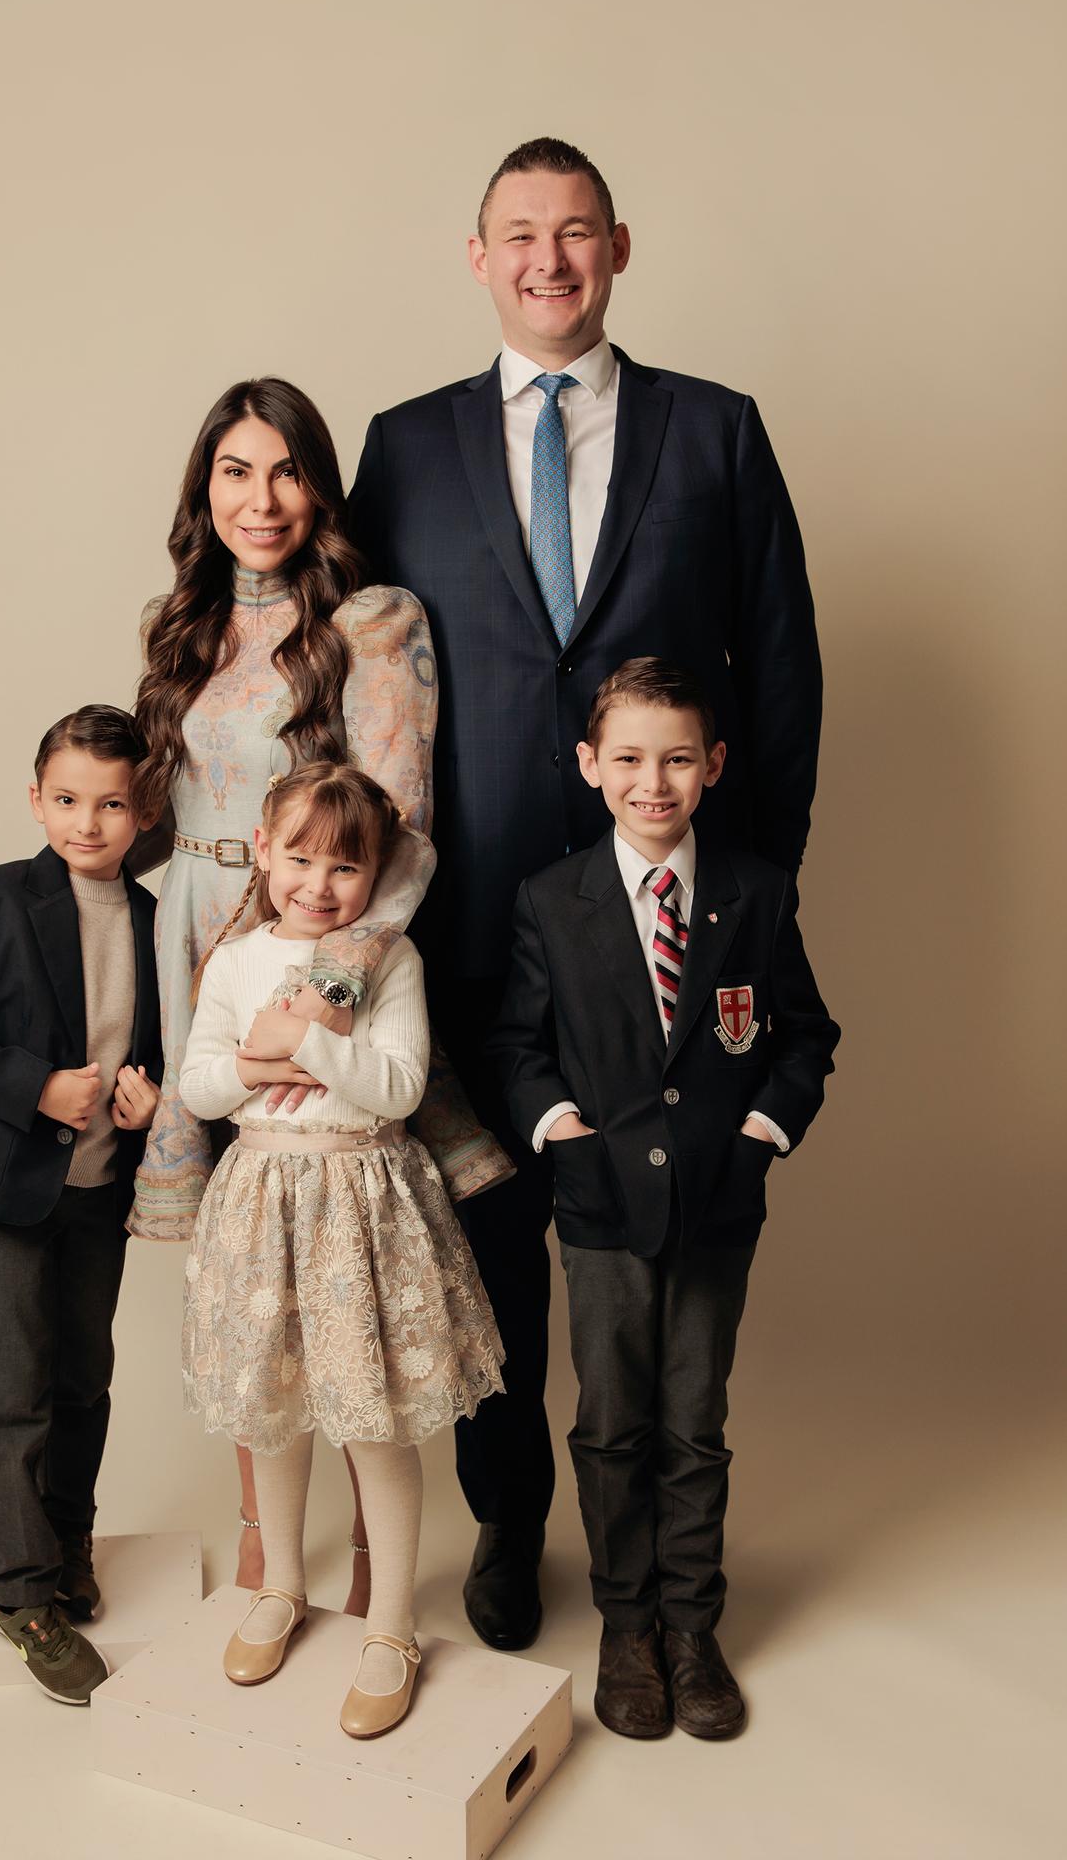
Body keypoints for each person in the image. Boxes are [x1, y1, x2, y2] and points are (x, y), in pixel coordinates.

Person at [349, 135, 823, 1650]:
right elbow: (352, 678)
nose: (547, 259)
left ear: (617, 247)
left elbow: (783, 664)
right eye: (518, 233)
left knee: (649, 1242)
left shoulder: (715, 431)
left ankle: (655, 1568)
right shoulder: (403, 446)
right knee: (492, 1243)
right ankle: (506, 1522)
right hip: (471, 919)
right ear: (476, 257)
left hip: (667, 922)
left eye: (574, 231)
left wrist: (755, 887)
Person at [125, 375, 510, 1611]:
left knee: (337, 1256)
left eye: (286, 470)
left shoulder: (372, 623)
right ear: (204, 489)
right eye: (234, 471)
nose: (261, 498)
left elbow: (402, 822)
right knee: (247, 1266)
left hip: (309, 940)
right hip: (196, 944)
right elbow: (155, 809)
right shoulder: (179, 624)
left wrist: (331, 987)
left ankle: (371, 1557)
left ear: (321, 488)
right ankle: (263, 1537)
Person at [490, 658, 839, 1738]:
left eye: (678, 758)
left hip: (717, 1205)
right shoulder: (550, 900)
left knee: (694, 1421)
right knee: (610, 1423)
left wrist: (758, 1135)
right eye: (630, 759)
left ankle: (691, 1626)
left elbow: (803, 1035)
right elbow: (517, 1047)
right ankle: (624, 1623)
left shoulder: (755, 890)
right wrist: (564, 1134)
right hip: (600, 1209)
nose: (654, 781)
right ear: (590, 765)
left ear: (713, 765)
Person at [180, 763, 504, 1737]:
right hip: (260, 1206)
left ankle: (391, 1625)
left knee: (373, 1418)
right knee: (273, 1409)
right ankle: (280, 1584)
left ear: (375, 873)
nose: (318, 885)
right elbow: (200, 1087)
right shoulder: (234, 960)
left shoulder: (388, 960)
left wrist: (311, 1038)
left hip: (361, 1205)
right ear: (263, 851)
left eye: (345, 868)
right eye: (300, 859)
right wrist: (259, 1060)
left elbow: (396, 1086)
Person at [0, 705, 162, 1705]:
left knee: (83, 1381)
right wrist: (35, 1086)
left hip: (100, 1186)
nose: (86, 822)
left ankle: (65, 1543)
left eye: (110, 804)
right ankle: (19, 1591)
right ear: (36, 799)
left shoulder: (157, 917)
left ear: (143, 810)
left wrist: (148, 1097)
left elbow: (159, 1040)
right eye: (66, 799)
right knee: (10, 1390)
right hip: (5, 1185)